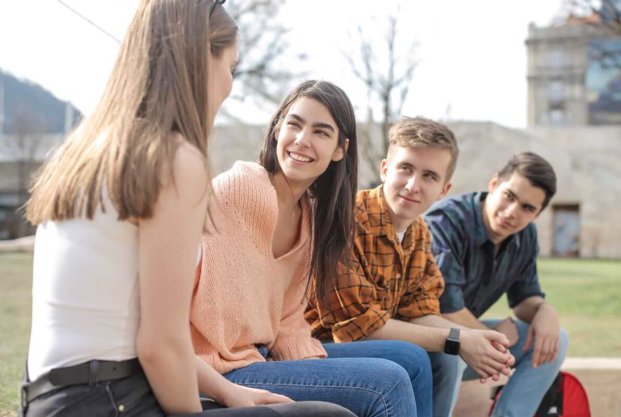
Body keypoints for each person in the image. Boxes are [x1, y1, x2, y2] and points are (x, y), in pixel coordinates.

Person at [20, 1, 356, 416]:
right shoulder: (175, 161)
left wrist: (230, 394)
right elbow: (160, 345)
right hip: (109, 398)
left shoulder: (88, 148)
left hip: (57, 396)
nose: (230, 84)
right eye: (231, 67)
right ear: (199, 59)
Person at [191, 80, 432, 417]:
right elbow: (205, 305)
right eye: (294, 124)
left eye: (321, 131)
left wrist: (315, 373)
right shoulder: (240, 189)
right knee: (387, 381)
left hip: (258, 357)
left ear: (339, 149)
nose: (302, 139)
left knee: (413, 360)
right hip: (219, 365)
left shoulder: (312, 217)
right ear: (276, 130)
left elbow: (288, 319)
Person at [305, 116, 515, 417]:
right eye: (406, 168)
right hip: (314, 351)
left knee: (445, 357)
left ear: (444, 189)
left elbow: (418, 311)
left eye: (430, 176)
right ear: (385, 169)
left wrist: (474, 336)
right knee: (417, 354)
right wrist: (458, 337)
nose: (413, 185)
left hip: (365, 348)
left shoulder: (418, 233)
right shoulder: (347, 219)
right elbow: (359, 329)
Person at [423, 151, 569, 417]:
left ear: (537, 214)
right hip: (421, 342)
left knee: (556, 338)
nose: (512, 212)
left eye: (527, 208)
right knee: (452, 351)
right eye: (509, 196)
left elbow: (525, 299)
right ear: (493, 185)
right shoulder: (447, 221)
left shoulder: (525, 235)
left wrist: (546, 311)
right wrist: (488, 337)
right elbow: (444, 307)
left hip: (468, 339)